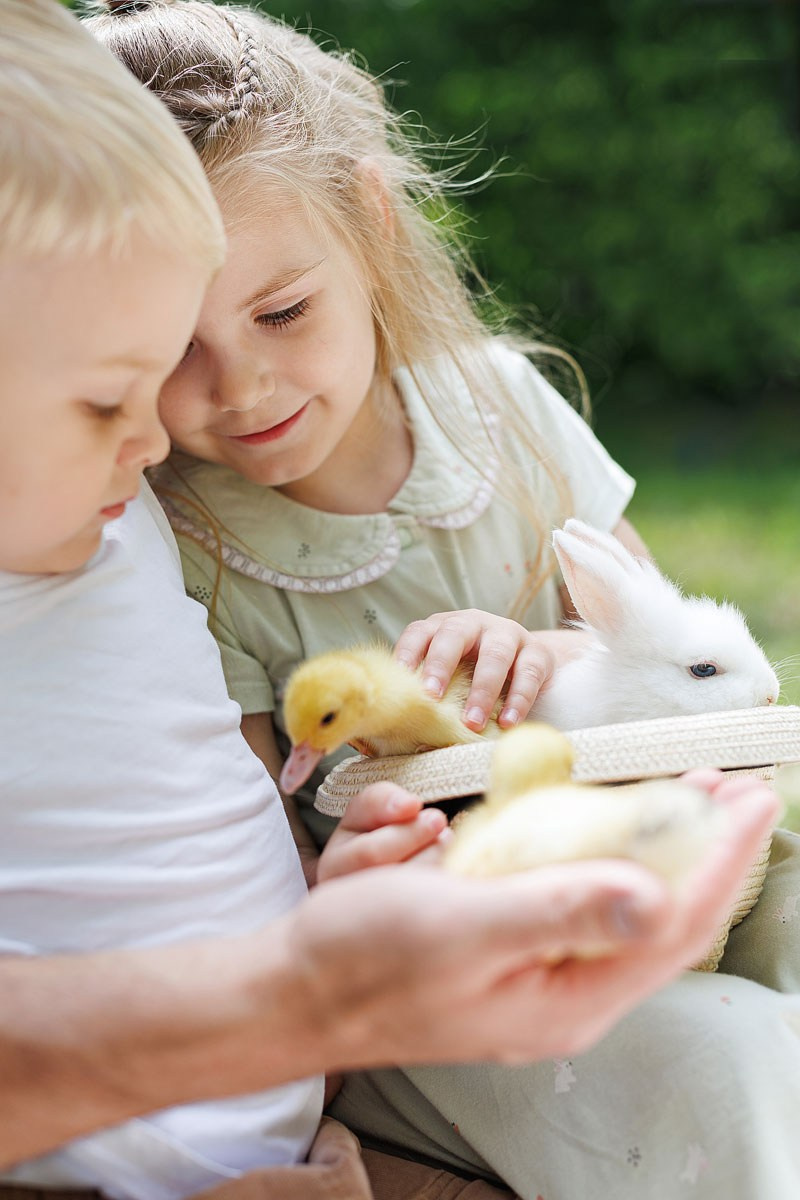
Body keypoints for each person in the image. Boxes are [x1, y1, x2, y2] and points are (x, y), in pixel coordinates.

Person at [1, 4, 785, 1200]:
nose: (237, 385)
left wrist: (542, 651)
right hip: (435, 945)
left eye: (282, 313)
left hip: (656, 844)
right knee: (720, 1055)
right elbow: (267, 858)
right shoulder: (166, 529)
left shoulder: (501, 409)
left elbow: (649, 638)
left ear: (370, 228)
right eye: (170, 351)